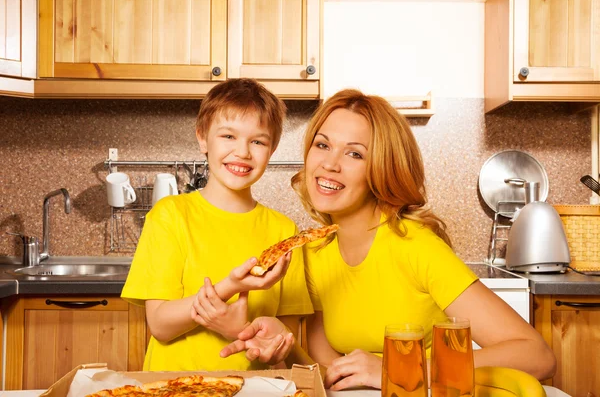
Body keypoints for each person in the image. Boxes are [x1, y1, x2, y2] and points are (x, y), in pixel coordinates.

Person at [220, 89, 556, 389]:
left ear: (383, 167)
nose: (329, 164)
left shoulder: (416, 247)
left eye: (355, 154)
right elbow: (331, 371)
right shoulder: (316, 253)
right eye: (322, 145)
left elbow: (537, 355)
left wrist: (397, 367)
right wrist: (286, 342)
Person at [121, 78, 313, 372]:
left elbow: (283, 335)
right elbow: (160, 324)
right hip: (175, 390)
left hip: (253, 391)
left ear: (271, 150)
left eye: (258, 141)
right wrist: (229, 287)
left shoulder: (284, 231)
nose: (243, 152)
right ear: (202, 138)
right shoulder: (170, 215)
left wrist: (250, 335)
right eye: (228, 136)